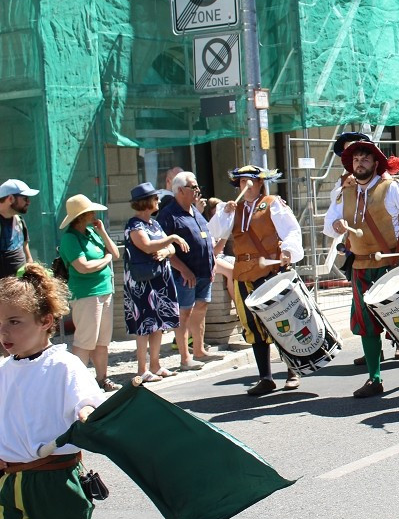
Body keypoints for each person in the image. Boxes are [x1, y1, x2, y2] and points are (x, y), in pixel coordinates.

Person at [0, 263, 124, 519]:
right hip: (9, 483)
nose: (4, 333)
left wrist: (85, 411)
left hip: (56, 483)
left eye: (14, 322)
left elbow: (88, 402)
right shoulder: (3, 370)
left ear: (45, 321)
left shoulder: (63, 364)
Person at [323, 133, 399, 398]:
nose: (359, 163)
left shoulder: (391, 187)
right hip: (361, 265)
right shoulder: (343, 191)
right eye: (355, 159)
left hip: (391, 262)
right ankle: (375, 378)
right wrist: (336, 226)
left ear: (375, 162)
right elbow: (329, 224)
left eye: (365, 158)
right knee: (366, 323)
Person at [207, 166, 304, 396]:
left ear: (260, 183)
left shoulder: (273, 203)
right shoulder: (233, 208)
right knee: (252, 325)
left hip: (269, 271)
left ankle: (293, 371)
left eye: (250, 181)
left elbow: (292, 230)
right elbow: (215, 233)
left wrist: (288, 251)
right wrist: (224, 214)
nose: (245, 185)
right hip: (243, 272)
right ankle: (265, 378)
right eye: (241, 182)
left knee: (280, 321)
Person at [123, 183, 188, 382]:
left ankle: (155, 365)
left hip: (160, 279)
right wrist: (173, 238)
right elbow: (146, 245)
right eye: (155, 198)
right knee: (144, 325)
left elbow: (168, 250)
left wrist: (168, 249)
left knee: (159, 324)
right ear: (146, 202)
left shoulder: (154, 224)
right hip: (142, 282)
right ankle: (142, 369)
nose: (158, 201)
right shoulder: (134, 225)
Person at [59, 194, 122, 392]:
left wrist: (102, 233)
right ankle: (75, 386)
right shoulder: (70, 238)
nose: (95, 214)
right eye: (91, 211)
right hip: (86, 294)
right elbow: (83, 267)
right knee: (85, 341)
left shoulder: (91, 232)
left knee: (102, 342)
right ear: (82, 215)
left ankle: (102, 380)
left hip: (104, 290)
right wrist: (105, 260)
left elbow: (116, 254)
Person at [157, 171, 219, 371]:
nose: (198, 190)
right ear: (180, 190)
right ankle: (185, 358)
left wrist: (213, 262)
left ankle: (199, 350)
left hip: (203, 272)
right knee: (184, 313)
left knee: (201, 308)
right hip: (183, 275)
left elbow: (206, 238)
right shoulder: (168, 215)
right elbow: (164, 248)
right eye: (193, 187)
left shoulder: (195, 211)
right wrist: (183, 269)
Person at [0, 179, 37, 279]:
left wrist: (30, 267)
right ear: (11, 199)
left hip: (19, 289)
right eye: (25, 198)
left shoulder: (19, 220)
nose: (28, 202)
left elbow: (25, 247)